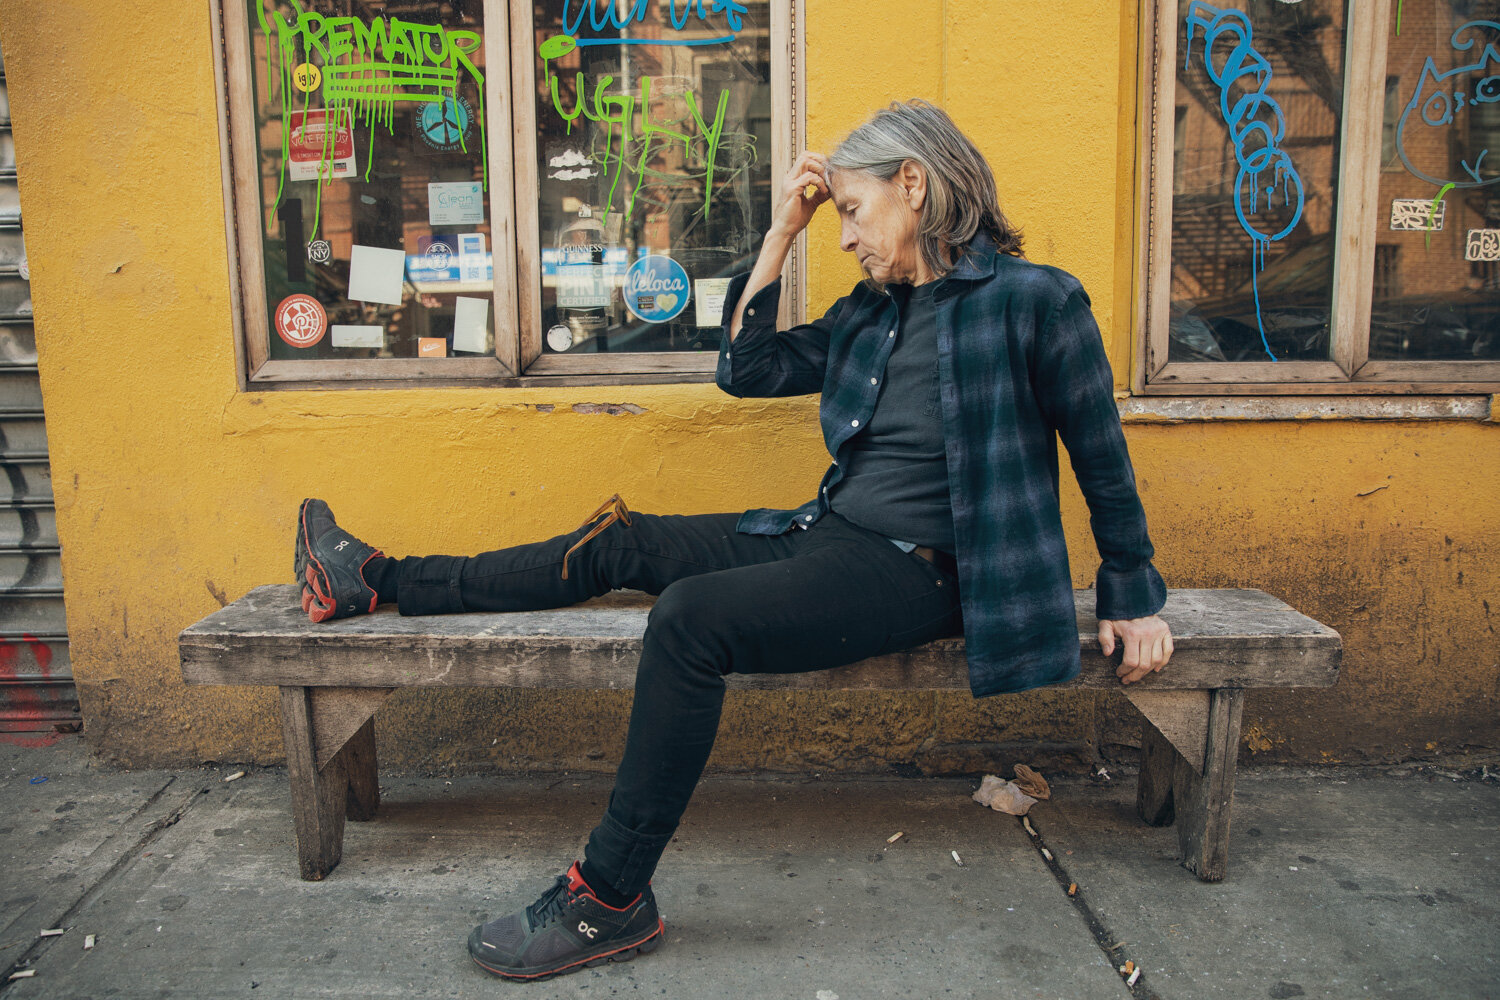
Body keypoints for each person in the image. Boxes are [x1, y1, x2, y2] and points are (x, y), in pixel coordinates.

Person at [294, 99, 1173, 982]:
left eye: (853, 213)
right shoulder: (873, 312)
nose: (846, 238)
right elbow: (744, 371)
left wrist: (1132, 594)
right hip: (828, 536)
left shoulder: (1035, 302)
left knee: (690, 619)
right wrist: (783, 233)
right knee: (619, 542)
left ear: (915, 185)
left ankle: (609, 897)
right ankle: (374, 579)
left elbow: (1100, 453)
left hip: (927, 576)